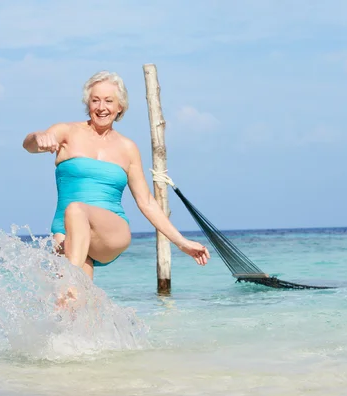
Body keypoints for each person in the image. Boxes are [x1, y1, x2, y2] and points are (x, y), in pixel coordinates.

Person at [22, 71, 210, 283]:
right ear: (88, 103)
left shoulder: (127, 148)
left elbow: (146, 201)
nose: (102, 107)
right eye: (95, 100)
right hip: (67, 233)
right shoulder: (66, 132)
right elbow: (29, 145)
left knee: (76, 209)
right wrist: (39, 137)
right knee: (73, 307)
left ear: (120, 106)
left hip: (109, 234)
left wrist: (181, 242)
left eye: (109, 101)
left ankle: (70, 285)